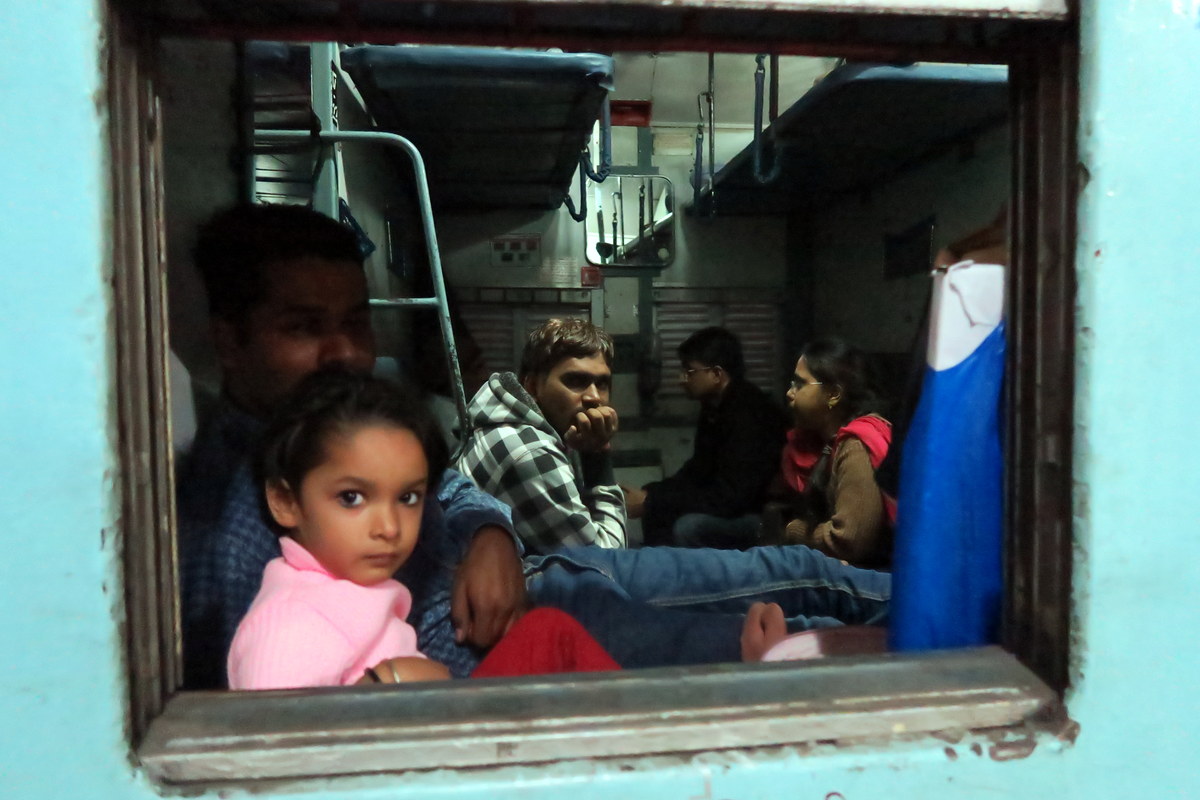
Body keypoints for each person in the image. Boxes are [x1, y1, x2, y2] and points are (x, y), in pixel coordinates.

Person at [179, 203, 891, 684]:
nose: (344, 352)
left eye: (356, 323)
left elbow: (441, 482)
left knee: (795, 570)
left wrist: (487, 531)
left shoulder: (341, 418)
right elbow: (279, 712)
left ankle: (938, 602)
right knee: (791, 635)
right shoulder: (228, 524)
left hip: (542, 575)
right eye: (303, 327)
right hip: (517, 633)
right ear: (229, 342)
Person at [228, 370, 618, 689]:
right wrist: (387, 682)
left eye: (408, 498)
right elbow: (272, 750)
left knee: (549, 631)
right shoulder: (289, 625)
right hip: (420, 752)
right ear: (286, 501)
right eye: (351, 498)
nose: (388, 527)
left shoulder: (349, 589)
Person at [454, 318, 625, 553]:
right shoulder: (530, 451)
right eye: (576, 381)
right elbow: (607, 559)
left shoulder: (511, 422)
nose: (594, 397)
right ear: (533, 387)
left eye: (602, 383)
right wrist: (598, 455)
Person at [622, 327, 786, 548]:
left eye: (689, 371)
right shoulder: (714, 407)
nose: (682, 379)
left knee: (688, 526)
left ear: (717, 374)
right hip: (729, 503)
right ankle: (660, 566)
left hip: (758, 515)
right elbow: (697, 470)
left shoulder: (748, 414)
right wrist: (651, 494)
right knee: (654, 500)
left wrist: (653, 502)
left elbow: (730, 498)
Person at [763, 338, 896, 567]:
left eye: (800, 384)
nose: (789, 393)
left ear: (833, 394)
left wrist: (795, 530)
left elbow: (849, 541)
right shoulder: (820, 442)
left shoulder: (856, 445)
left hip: (875, 577)